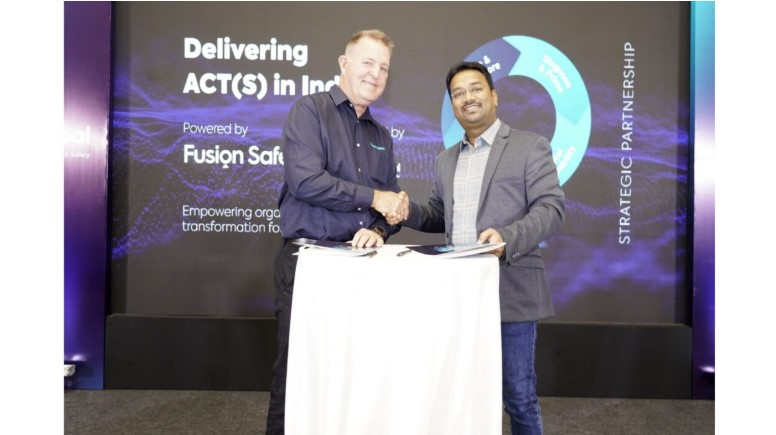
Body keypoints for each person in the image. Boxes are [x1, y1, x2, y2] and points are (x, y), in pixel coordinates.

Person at [395, 61, 565, 435]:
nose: (467, 98)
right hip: (458, 295)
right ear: (452, 105)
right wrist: (408, 212)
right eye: (458, 93)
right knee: (462, 397)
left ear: (494, 96)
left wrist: (507, 238)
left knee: (518, 397)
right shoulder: (445, 160)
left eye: (475, 89)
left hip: (511, 291)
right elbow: (440, 216)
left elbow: (551, 208)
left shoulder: (529, 147)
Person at [266, 29, 408, 435]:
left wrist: (379, 229)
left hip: (361, 266)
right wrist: (376, 198)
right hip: (309, 261)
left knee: (353, 377)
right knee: (298, 375)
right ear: (344, 64)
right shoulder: (310, 111)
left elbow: (390, 203)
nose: (376, 74)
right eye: (368, 63)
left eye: (384, 68)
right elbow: (306, 182)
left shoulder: (381, 136)